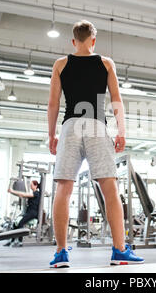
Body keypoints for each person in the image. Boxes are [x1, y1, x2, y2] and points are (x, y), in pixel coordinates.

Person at [47, 20, 144, 268]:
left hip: (70, 126)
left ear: (73, 41)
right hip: (96, 125)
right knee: (109, 189)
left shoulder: (61, 64)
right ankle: (120, 250)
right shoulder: (105, 62)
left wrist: (51, 135)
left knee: (64, 189)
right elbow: (116, 100)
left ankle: (60, 253)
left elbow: (53, 104)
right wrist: (121, 131)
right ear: (93, 40)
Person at [5, 180, 41, 247]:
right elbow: (21, 195)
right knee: (15, 224)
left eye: (31, 184)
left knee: (20, 223)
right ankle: (12, 241)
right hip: (29, 212)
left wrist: (12, 191)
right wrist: (11, 192)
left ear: (35, 185)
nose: (30, 186)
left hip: (33, 213)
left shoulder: (36, 193)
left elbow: (24, 194)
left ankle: (20, 241)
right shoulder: (33, 193)